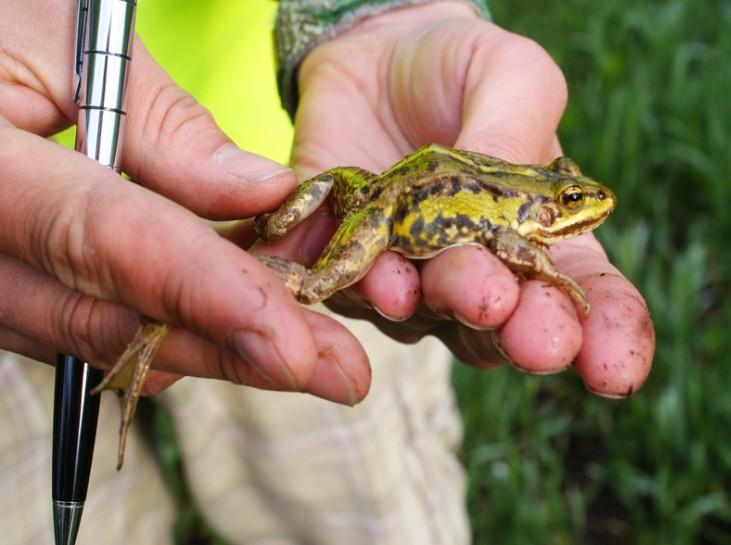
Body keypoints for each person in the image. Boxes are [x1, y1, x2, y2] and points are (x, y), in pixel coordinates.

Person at [0, 1, 655, 544]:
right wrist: (545, 264)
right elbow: (511, 246)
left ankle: (232, 258)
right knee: (313, 287)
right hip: (363, 198)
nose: (584, 203)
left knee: (361, 504)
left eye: (568, 193)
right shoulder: (521, 219)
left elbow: (501, 235)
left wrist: (368, 12)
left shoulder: (516, 203)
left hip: (315, 144)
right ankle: (218, 273)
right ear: (543, 203)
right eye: (569, 199)